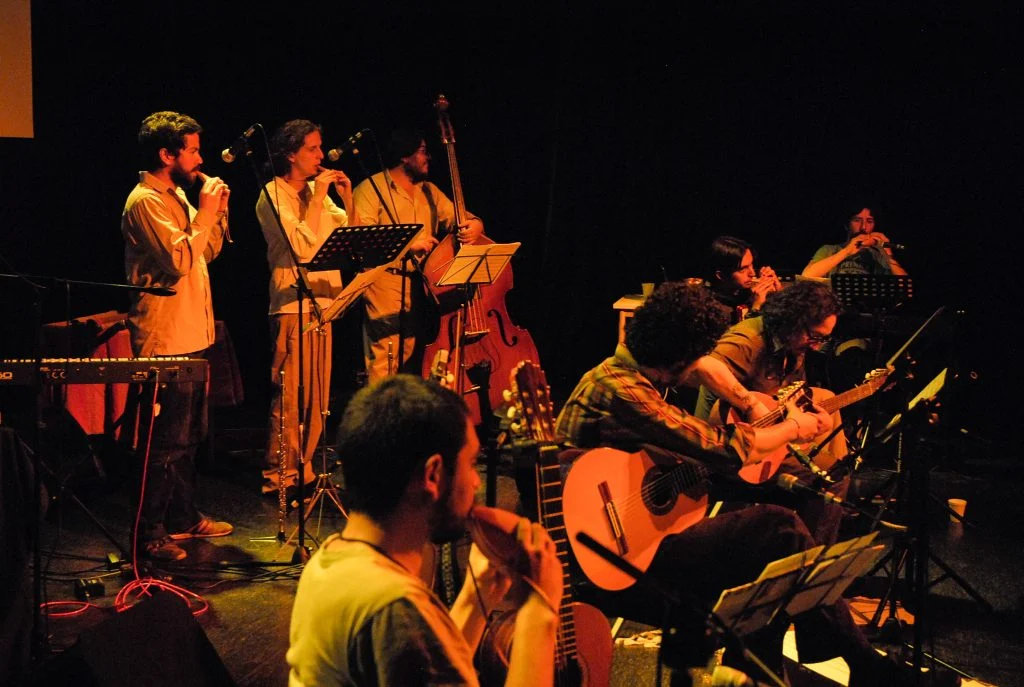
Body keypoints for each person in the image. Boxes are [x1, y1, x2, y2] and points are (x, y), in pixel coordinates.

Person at [553, 282, 948, 686]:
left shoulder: (627, 372)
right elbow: (725, 448)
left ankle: (765, 667)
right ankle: (862, 666)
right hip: (609, 555)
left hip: (633, 526)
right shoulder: (624, 391)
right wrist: (794, 427)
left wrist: (749, 402)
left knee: (784, 540)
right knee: (778, 528)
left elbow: (706, 371)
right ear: (680, 355)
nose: (700, 366)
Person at [286, 375, 561, 686]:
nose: (475, 482)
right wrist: (540, 611)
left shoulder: (327, 564)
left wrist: (475, 597)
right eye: (471, 463)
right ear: (433, 475)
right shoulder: (394, 608)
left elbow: (427, 670)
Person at [121, 111, 233, 561]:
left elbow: (208, 251)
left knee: (190, 436)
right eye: (193, 150)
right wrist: (204, 213)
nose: (201, 158)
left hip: (192, 332)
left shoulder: (178, 197)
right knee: (164, 442)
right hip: (165, 337)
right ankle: (148, 533)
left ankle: (183, 517)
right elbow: (179, 261)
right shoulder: (144, 202)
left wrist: (216, 214)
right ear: (167, 154)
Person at [693, 280, 849, 545]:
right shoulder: (748, 341)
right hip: (726, 452)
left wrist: (803, 418)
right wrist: (750, 405)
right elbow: (703, 366)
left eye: (822, 339)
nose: (816, 345)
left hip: (765, 444)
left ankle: (799, 546)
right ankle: (813, 562)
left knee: (832, 463)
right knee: (831, 478)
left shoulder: (792, 344)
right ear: (793, 320)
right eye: (813, 336)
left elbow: (782, 399)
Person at [255, 119, 352, 496]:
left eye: (320, 147)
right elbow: (304, 248)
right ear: (291, 154)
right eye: (312, 148)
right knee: (291, 396)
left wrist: (346, 198)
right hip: (291, 304)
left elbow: (348, 235)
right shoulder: (272, 195)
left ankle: (305, 468)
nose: (321, 155)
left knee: (318, 397)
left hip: (325, 301)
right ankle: (278, 476)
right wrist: (319, 196)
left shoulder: (317, 192)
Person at [352, 129, 485, 382]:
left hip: (422, 285)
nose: (429, 157)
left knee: (413, 358)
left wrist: (476, 225)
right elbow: (363, 240)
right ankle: (381, 408)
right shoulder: (371, 189)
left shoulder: (429, 191)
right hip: (384, 281)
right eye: (423, 151)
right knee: (385, 357)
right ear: (405, 156)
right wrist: (408, 246)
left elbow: (460, 218)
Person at [802, 205, 908, 278]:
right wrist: (847, 251)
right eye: (857, 220)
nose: (863, 227)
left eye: (869, 221)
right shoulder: (829, 249)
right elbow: (807, 275)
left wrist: (888, 256)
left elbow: (906, 288)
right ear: (846, 225)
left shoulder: (879, 255)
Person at [705, 235, 783, 326]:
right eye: (743, 269)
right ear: (721, 275)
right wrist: (756, 308)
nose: (752, 273)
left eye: (751, 265)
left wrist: (778, 295)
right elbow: (739, 335)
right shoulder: (709, 308)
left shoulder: (747, 293)